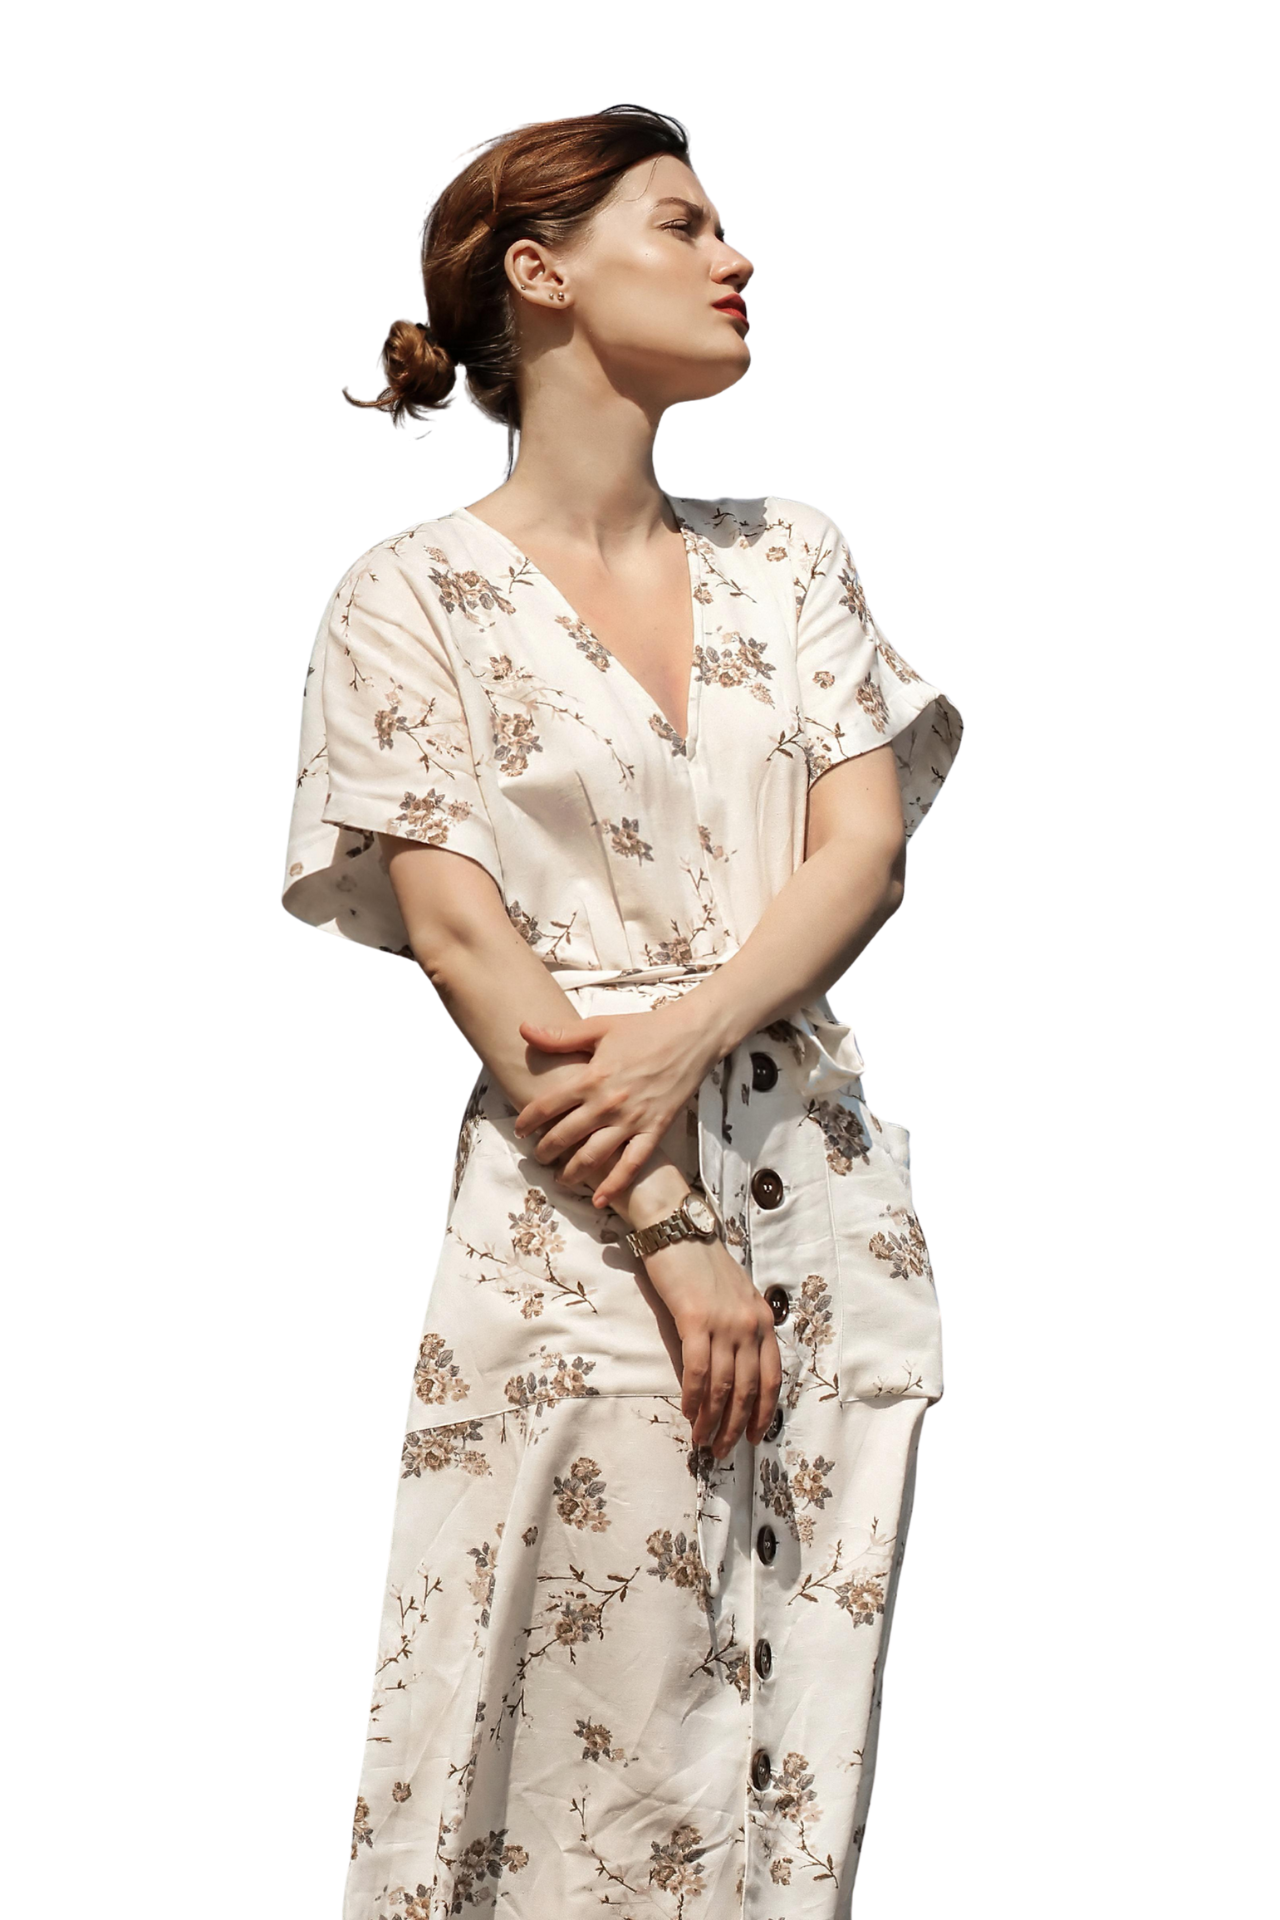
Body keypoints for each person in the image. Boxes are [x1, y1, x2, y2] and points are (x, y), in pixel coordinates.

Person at [282, 103, 965, 1919]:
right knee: (565, 1758)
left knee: (792, 1771)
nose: (734, 258)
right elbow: (463, 939)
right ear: (543, 271)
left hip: (815, 1201)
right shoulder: (411, 596)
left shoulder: (789, 553)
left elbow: (864, 850)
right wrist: (668, 1224)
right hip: (583, 1205)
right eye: (682, 223)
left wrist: (691, 1033)